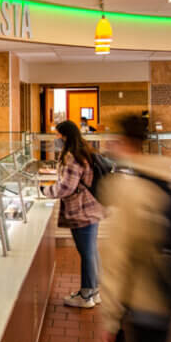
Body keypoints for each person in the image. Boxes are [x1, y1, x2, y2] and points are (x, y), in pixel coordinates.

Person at [98, 114, 171, 342]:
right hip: (167, 292)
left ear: (123, 141)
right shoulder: (164, 175)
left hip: (141, 298)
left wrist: (110, 320)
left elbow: (116, 260)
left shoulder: (126, 187)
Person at [42, 120, 104, 308]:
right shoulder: (83, 151)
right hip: (90, 208)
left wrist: (44, 191)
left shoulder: (73, 157)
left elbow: (67, 187)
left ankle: (86, 296)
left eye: (57, 135)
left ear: (66, 136)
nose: (55, 138)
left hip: (82, 210)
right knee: (90, 251)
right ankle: (93, 291)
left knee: (86, 252)